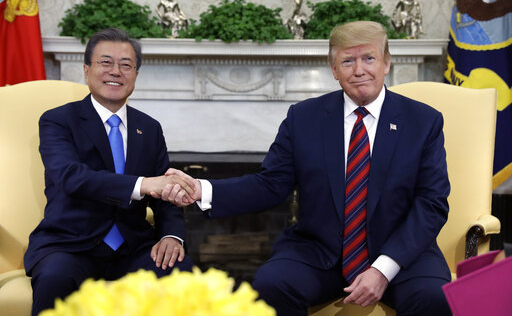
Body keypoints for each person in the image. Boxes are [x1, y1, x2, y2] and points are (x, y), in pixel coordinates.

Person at [165, 21, 452, 315]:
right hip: (319, 251)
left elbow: (431, 204)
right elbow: (270, 185)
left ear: (386, 63)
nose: (359, 70)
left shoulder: (423, 122)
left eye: (369, 58)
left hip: (402, 256)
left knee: (435, 297)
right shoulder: (304, 118)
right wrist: (202, 189)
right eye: (347, 61)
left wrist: (383, 268)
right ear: (334, 69)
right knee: (271, 284)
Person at [24, 28, 195, 316]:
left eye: (126, 65)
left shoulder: (149, 128)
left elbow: (164, 193)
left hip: (133, 246)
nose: (115, 71)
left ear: (136, 75)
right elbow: (71, 177)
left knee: (181, 273)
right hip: (70, 244)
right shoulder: (58, 120)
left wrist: (172, 237)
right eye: (105, 62)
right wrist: (142, 185)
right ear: (87, 70)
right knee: (55, 278)